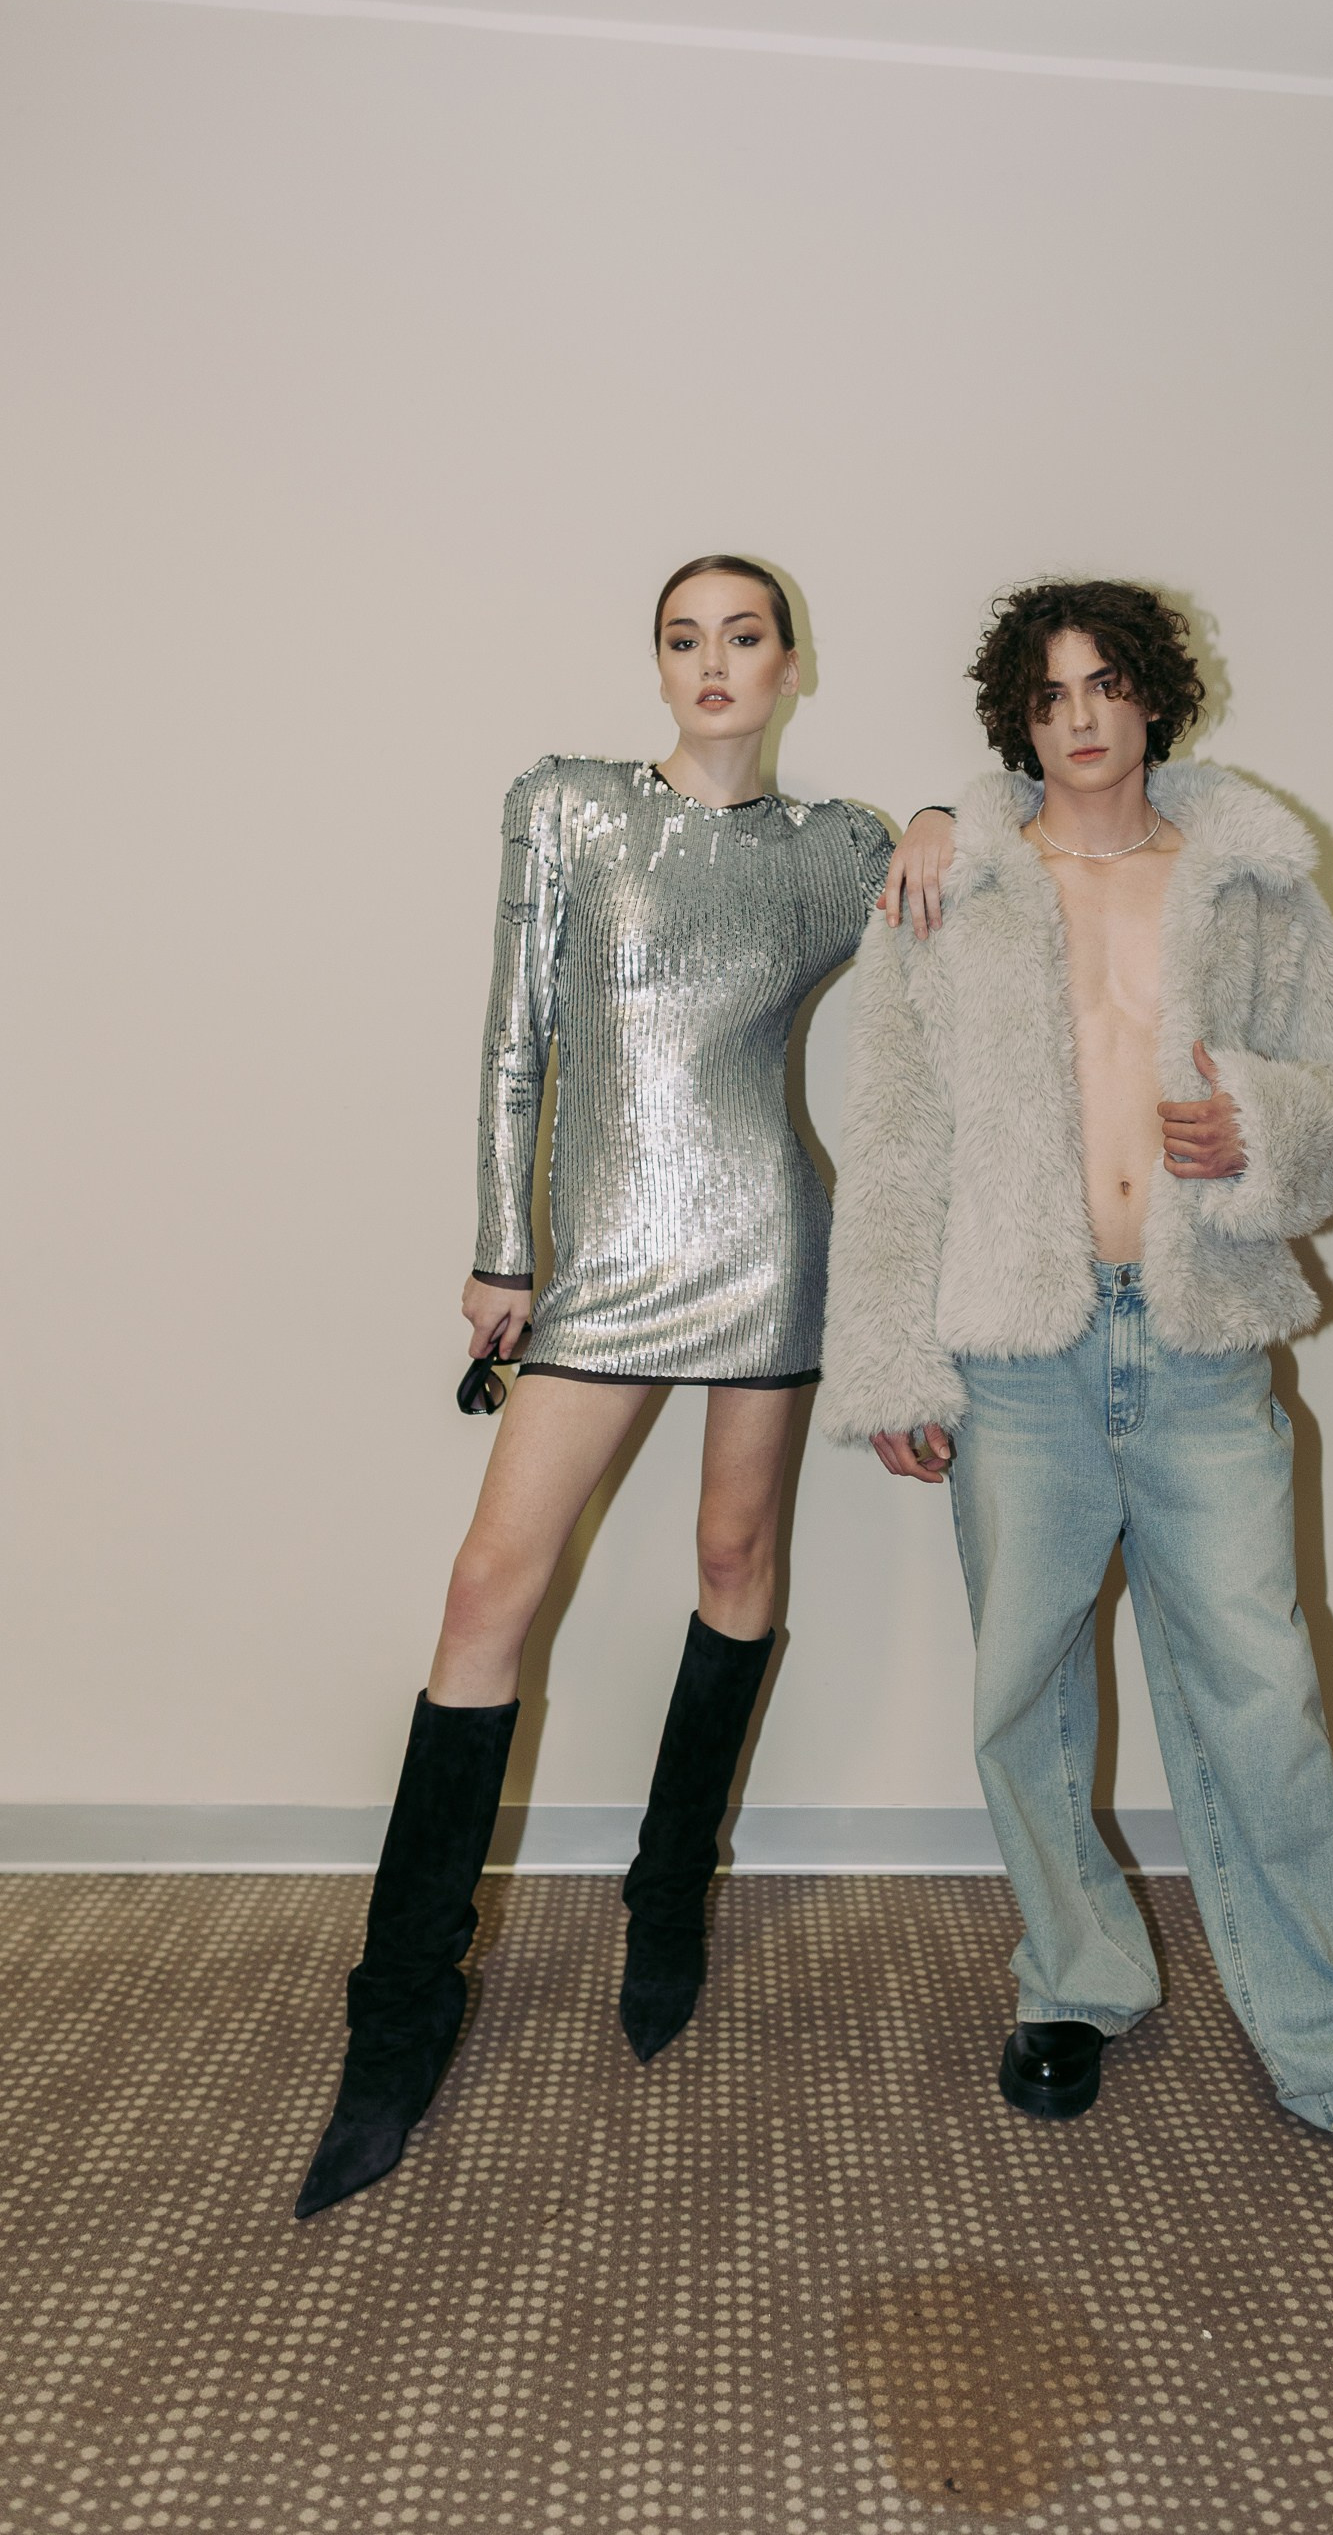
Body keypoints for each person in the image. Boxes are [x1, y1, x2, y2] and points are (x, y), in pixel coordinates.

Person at [819, 579, 1333, 2229]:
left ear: (1153, 700)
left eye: (1107, 685)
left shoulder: (1252, 880)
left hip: (1197, 1347)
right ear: (1019, 719)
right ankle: (1074, 1978)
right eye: (1050, 695)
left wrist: (1262, 1123)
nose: (1082, 718)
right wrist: (889, 1359)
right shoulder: (949, 886)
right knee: (1022, 1693)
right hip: (1019, 1353)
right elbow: (895, 1141)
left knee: (1261, 1696)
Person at [295, 555, 955, 2220]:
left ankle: (668, 1899)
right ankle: (400, 2011)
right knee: (487, 1589)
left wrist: (950, 819)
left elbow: (959, 968)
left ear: (790, 664)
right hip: (598, 1253)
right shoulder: (569, 808)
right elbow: (514, 1038)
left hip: (764, 1241)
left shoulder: (836, 851)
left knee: (736, 1558)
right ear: (657, 665)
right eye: (684, 638)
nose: (713, 662)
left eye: (745, 636)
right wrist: (499, 1250)